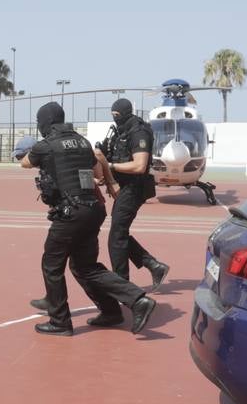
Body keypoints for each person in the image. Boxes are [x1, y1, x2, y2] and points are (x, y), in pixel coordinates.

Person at [18, 102, 156, 336]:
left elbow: (25, 162)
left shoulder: (47, 145)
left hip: (70, 213)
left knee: (52, 266)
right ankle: (121, 307)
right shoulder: (83, 142)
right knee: (85, 267)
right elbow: (99, 168)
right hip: (92, 211)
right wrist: (110, 182)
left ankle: (60, 321)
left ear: (45, 122)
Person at [97, 98, 170, 290]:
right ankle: (154, 266)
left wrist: (109, 165)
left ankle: (122, 286)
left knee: (116, 237)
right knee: (119, 234)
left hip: (134, 187)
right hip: (123, 187)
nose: (115, 119)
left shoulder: (139, 131)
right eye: (113, 116)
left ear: (125, 113)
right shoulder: (119, 131)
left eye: (117, 115)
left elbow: (139, 166)